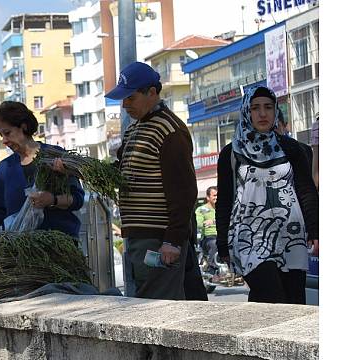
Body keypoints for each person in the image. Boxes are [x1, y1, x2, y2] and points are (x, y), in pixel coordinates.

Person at [215, 85, 319, 304]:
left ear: (275, 111)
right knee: (270, 294)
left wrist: (315, 230)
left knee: (293, 303)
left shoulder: (291, 149)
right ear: (247, 112)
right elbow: (224, 200)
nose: (262, 114)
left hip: (290, 235)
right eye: (255, 108)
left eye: (268, 107)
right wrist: (223, 242)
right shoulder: (231, 153)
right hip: (249, 237)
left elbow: (306, 190)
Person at [104, 61, 197, 300]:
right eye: (123, 99)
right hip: (139, 237)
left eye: (131, 98)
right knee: (146, 304)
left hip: (159, 239)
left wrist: (173, 241)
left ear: (152, 93)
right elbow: (120, 173)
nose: (125, 105)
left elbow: (184, 191)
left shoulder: (170, 130)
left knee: (159, 309)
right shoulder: (136, 129)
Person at [0, 101, 84, 237]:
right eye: (1, 135)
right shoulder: (3, 171)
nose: (4, 140)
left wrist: (52, 200)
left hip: (60, 247)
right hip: (19, 252)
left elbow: (77, 199)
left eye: (7, 133)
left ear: (23, 127)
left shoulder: (56, 157)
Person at [195, 186, 219, 278]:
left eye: (218, 195)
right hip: (208, 237)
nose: (216, 197)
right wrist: (205, 223)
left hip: (222, 236)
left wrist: (213, 221)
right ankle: (211, 268)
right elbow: (198, 223)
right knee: (215, 244)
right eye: (214, 195)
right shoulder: (201, 210)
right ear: (208, 197)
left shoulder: (222, 209)